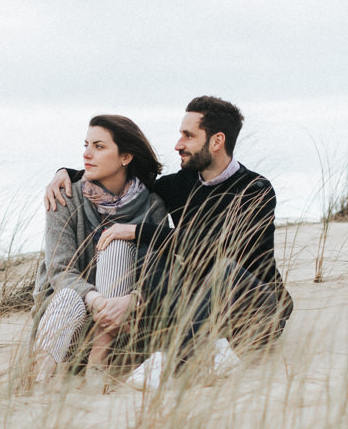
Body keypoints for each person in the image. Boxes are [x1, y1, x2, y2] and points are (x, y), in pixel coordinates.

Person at [44, 96, 292, 388]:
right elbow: (123, 176)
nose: (178, 144)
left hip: (252, 306)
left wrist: (139, 231)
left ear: (217, 141)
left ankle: (179, 359)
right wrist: (68, 174)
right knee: (159, 262)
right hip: (200, 309)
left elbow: (214, 248)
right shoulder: (178, 184)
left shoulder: (256, 190)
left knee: (217, 267)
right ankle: (197, 354)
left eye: (188, 135)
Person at [32, 114, 168, 380]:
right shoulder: (64, 196)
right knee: (69, 296)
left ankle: (99, 362)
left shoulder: (152, 205)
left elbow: (159, 270)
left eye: (99, 146)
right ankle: (39, 382)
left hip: (123, 324)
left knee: (116, 242)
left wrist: (132, 299)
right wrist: (96, 300)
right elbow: (60, 272)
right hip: (68, 322)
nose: (87, 154)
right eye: (86, 145)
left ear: (125, 157)